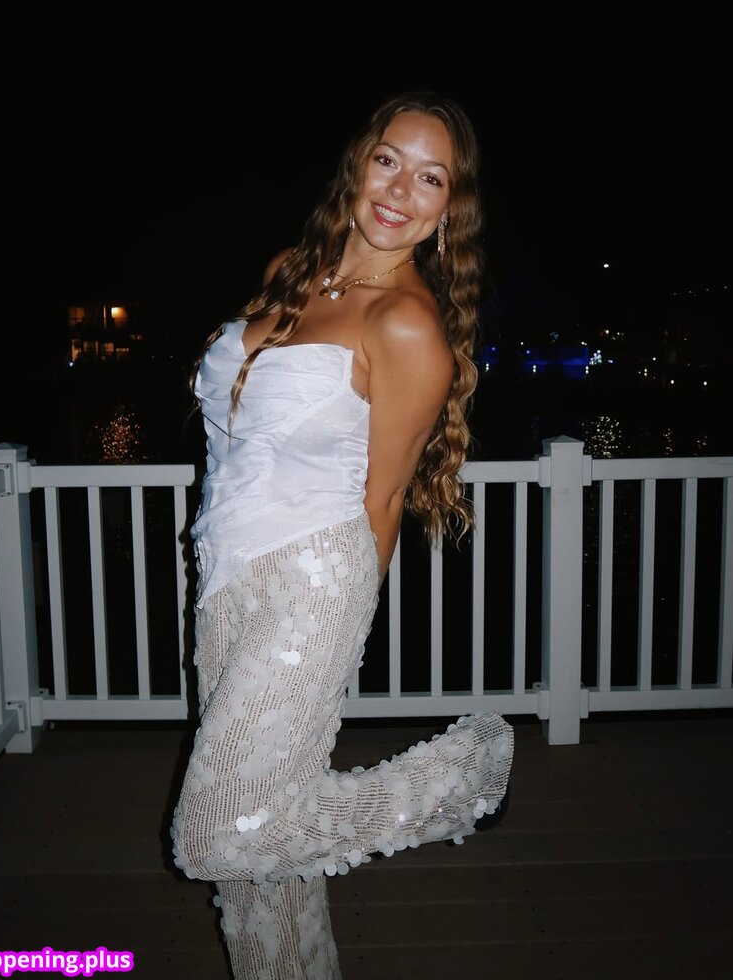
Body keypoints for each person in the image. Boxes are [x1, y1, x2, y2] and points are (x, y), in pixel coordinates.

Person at [170, 90, 514, 978]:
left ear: (449, 210)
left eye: (431, 178)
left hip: (313, 586)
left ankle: (460, 779)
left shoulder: (405, 324)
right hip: (223, 575)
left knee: (215, 832)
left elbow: (385, 495)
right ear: (358, 164)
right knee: (256, 876)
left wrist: (339, 633)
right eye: (389, 160)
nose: (401, 189)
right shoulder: (293, 269)